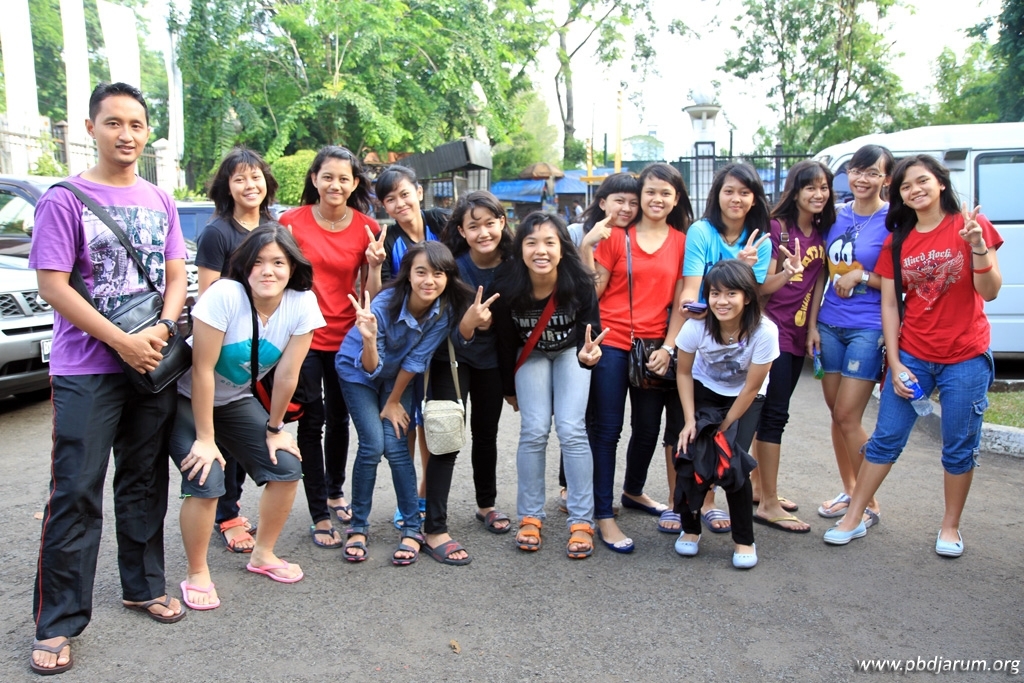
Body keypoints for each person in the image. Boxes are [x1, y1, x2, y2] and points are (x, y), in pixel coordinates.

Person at [29, 82, 189, 674]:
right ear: (91, 128)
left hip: (151, 362)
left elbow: (176, 273)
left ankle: (142, 586)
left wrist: (163, 329)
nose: (126, 134)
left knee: (144, 480)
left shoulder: (160, 199)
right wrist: (122, 341)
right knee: (76, 490)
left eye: (137, 124)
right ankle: (58, 620)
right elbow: (52, 285)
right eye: (114, 123)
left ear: (147, 133)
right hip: (87, 369)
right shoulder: (64, 199)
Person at [824, 155, 1001, 556]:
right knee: (885, 438)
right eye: (906, 186)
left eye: (922, 181)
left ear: (941, 183)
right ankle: (855, 516)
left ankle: (950, 527)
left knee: (958, 445)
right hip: (914, 355)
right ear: (899, 194)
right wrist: (897, 360)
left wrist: (977, 246)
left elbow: (989, 291)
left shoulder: (970, 225)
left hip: (965, 356)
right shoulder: (899, 238)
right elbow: (890, 303)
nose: (915, 190)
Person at [172, 225, 324, 605]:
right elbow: (202, 370)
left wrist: (275, 429)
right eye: (258, 262)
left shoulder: (302, 303)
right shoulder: (225, 295)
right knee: (206, 475)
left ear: (292, 267)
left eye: (278, 262)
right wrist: (206, 439)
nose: (267, 271)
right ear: (244, 266)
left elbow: (287, 374)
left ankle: (263, 554)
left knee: (287, 466)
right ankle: (197, 572)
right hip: (185, 397)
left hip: (234, 399)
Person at [337, 242, 476, 566]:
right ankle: (358, 527)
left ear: (448, 277)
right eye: (421, 272)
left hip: (398, 378)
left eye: (438, 273)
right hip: (358, 372)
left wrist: (393, 401)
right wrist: (369, 339)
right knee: (372, 446)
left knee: (398, 447)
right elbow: (370, 367)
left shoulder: (444, 309)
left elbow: (416, 359)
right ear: (408, 275)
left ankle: (412, 528)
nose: (429, 280)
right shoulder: (385, 303)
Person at [579, 165, 691, 552]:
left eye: (665, 193)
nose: (657, 199)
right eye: (650, 192)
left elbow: (682, 300)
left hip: (655, 346)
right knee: (607, 430)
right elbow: (593, 293)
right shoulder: (615, 236)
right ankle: (603, 515)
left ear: (676, 199)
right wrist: (587, 248)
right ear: (640, 196)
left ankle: (633, 491)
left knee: (647, 428)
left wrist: (669, 347)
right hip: (612, 342)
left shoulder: (682, 241)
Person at [278, 145, 377, 548]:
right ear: (314, 179)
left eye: (344, 178)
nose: (336, 185)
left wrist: (375, 264)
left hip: (346, 339)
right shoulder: (290, 221)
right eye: (328, 177)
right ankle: (319, 511)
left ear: (354, 184)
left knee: (339, 420)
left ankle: (335, 492)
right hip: (304, 336)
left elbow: (371, 294)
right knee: (312, 420)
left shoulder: (368, 227)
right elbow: (279, 278)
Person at [491, 212, 604, 559]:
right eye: (531, 242)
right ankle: (530, 516)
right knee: (534, 429)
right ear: (520, 249)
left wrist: (589, 357)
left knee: (571, 428)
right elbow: (504, 341)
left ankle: (582, 520)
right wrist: (509, 389)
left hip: (571, 353)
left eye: (549, 242)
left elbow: (591, 334)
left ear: (562, 248)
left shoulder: (579, 281)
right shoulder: (506, 283)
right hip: (531, 355)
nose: (541, 251)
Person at [194, 146, 280, 554]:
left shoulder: (274, 227)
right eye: (240, 178)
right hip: (227, 350)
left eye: (256, 176)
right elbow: (207, 295)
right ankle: (227, 515)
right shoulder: (218, 232)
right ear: (227, 187)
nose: (250, 185)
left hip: (266, 348)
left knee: (254, 433)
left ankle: (232, 505)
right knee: (226, 436)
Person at [420, 191, 513, 564]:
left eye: (490, 223)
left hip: (493, 363)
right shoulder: (453, 268)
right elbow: (441, 325)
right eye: (474, 226)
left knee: (486, 435)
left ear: (502, 223)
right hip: (452, 358)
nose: (483, 232)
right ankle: (434, 528)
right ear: (461, 230)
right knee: (446, 439)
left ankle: (486, 505)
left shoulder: (515, 265)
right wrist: (469, 326)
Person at [680, 162, 773, 534]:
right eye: (729, 190)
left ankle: (742, 537)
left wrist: (727, 425)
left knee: (732, 452)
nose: (736, 198)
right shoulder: (701, 231)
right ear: (716, 194)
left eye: (744, 192)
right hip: (706, 357)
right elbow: (692, 293)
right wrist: (703, 308)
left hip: (743, 375)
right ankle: (693, 517)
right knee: (693, 444)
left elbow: (748, 290)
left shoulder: (761, 239)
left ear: (754, 198)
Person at [807, 144, 894, 526]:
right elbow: (821, 276)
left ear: (886, 179)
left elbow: (899, 281)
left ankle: (867, 500)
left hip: (868, 328)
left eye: (872, 172)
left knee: (847, 414)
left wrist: (862, 275)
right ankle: (850, 488)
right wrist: (812, 325)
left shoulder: (893, 220)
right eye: (857, 170)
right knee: (837, 415)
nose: (863, 178)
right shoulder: (836, 216)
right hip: (829, 325)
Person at [674, 259, 779, 569]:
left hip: (746, 396)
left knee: (733, 461)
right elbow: (683, 373)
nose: (722, 301)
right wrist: (690, 421)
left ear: (747, 296)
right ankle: (690, 528)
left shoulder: (765, 331)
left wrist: (725, 427)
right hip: (704, 388)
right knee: (692, 453)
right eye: (715, 293)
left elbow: (752, 387)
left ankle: (744, 539)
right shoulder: (696, 327)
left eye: (731, 293)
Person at [749, 160, 835, 533]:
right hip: (773, 333)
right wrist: (787, 273)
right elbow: (760, 287)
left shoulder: (821, 231)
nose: (818, 194)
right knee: (773, 416)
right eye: (810, 187)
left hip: (798, 335)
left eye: (824, 187)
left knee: (770, 415)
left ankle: (759, 488)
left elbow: (817, 283)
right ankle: (768, 503)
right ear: (795, 191)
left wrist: (812, 327)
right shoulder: (776, 229)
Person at [367, 165, 450, 527]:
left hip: (445, 332)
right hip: (405, 338)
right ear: (383, 205)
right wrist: (374, 267)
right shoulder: (386, 240)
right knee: (408, 420)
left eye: (404, 194)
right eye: (390, 199)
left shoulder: (442, 222)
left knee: (433, 418)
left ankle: (427, 493)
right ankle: (408, 499)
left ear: (418, 192)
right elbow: (378, 298)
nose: (399, 203)